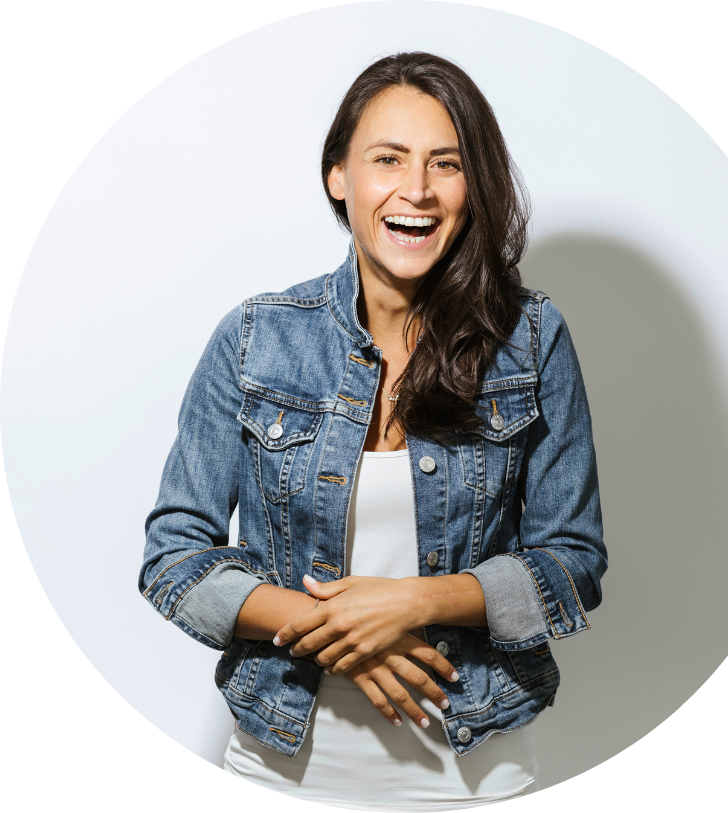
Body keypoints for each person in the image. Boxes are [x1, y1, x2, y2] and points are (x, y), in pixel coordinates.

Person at [138, 51, 607, 810]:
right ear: (339, 176)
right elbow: (173, 559)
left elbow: (572, 560)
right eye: (386, 159)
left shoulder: (531, 338)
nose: (415, 190)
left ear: (471, 184)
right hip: (277, 777)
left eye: (444, 163)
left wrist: (415, 602)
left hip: (477, 779)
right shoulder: (255, 339)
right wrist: (339, 628)